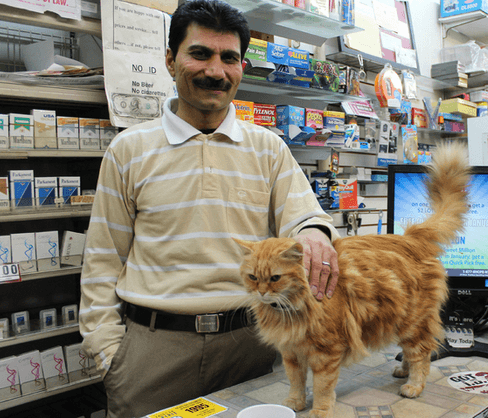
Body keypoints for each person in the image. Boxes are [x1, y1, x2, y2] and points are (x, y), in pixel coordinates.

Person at [79, 0, 340, 416]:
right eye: (200, 53)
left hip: (252, 343)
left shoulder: (268, 148)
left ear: (241, 67)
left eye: (229, 58)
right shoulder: (128, 150)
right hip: (153, 352)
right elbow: (102, 260)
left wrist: (312, 234)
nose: (215, 71)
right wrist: (110, 356)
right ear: (170, 59)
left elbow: (306, 216)